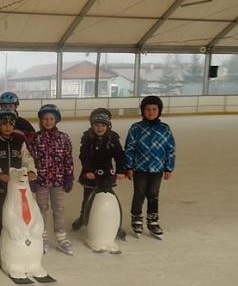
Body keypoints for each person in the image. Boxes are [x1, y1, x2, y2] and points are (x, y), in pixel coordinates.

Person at [0, 109, 36, 252]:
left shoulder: (20, 141)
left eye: (11, 124)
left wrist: (31, 170)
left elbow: (27, 158)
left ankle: (14, 232)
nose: (8, 127)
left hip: (16, 186)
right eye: (4, 124)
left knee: (16, 209)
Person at [124, 95, 176, 239]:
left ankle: (153, 221)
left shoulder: (165, 129)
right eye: (148, 109)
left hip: (157, 169)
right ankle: (136, 218)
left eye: (154, 109)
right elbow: (129, 148)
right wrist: (129, 166)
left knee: (153, 194)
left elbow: (170, 149)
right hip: (139, 168)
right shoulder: (136, 128)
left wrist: (168, 167)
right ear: (142, 110)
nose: (151, 112)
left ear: (159, 111)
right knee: (139, 193)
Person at [27, 104, 74, 256]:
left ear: (56, 120)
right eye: (45, 119)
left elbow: (68, 158)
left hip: (58, 181)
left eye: (51, 118)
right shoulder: (35, 138)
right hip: (41, 180)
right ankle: (43, 235)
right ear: (41, 120)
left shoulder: (63, 138)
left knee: (58, 208)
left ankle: (61, 237)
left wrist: (69, 177)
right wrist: (32, 177)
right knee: (41, 208)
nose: (48, 121)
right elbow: (31, 159)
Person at [71, 108, 126, 232]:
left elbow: (119, 155)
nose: (99, 128)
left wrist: (121, 170)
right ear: (92, 125)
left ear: (108, 126)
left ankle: (116, 224)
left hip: (107, 174)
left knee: (110, 198)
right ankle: (83, 217)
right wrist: (88, 170)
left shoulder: (113, 138)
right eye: (96, 125)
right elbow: (84, 156)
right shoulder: (87, 138)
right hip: (90, 174)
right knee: (88, 198)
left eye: (102, 125)